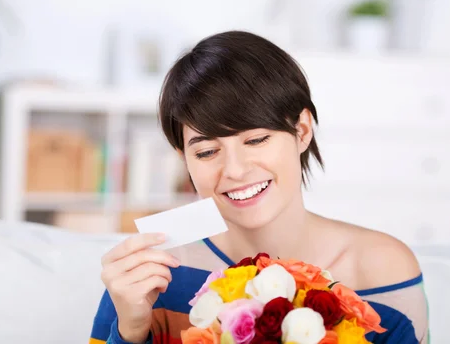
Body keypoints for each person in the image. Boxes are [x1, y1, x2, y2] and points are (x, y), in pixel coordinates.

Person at [89, 31, 429, 344]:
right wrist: (130, 329)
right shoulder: (152, 274)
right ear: (185, 160)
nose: (235, 170)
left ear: (303, 131)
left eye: (256, 139)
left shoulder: (383, 267)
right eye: (207, 152)